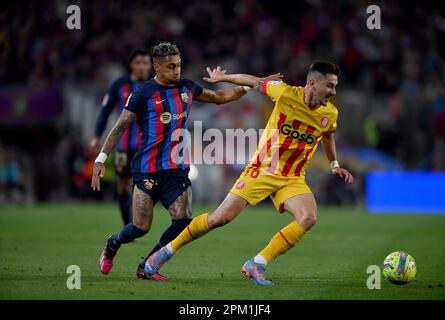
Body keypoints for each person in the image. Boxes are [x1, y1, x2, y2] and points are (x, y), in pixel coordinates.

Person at [144, 61, 354, 285]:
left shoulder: (330, 113)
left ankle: (258, 263)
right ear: (312, 83)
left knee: (308, 217)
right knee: (219, 218)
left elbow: (327, 134)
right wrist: (221, 78)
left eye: (335, 87)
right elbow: (253, 81)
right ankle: (163, 253)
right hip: (262, 170)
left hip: (292, 178)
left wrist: (334, 164)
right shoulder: (284, 93)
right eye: (329, 86)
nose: (333, 92)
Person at [91, 42, 282, 282]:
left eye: (179, 65)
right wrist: (100, 159)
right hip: (147, 169)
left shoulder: (187, 88)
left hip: (176, 168)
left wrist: (253, 84)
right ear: (157, 67)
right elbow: (119, 127)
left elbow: (220, 97)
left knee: (182, 222)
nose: (176, 71)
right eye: (170, 67)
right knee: (140, 227)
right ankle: (112, 244)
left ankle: (147, 266)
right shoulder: (142, 93)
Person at [89, 48, 152, 226]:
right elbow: (105, 111)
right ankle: (128, 225)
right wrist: (96, 136)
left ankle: (140, 222)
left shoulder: (155, 84)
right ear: (131, 65)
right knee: (123, 185)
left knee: (146, 184)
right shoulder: (119, 84)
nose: (141, 67)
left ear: (151, 65)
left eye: (145, 63)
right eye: (138, 63)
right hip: (124, 145)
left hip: (147, 145)